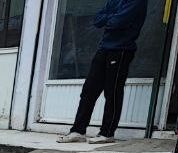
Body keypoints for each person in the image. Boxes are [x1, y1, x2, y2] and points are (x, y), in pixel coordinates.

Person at [57, 0, 148, 144]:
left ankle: (107, 133)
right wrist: (111, 17)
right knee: (89, 90)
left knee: (112, 92)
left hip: (121, 49)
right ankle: (78, 131)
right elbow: (97, 19)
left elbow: (118, 22)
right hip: (104, 48)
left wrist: (109, 17)